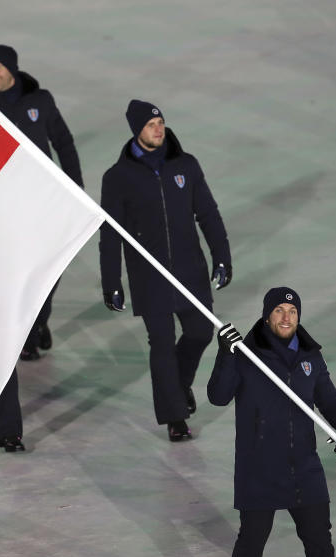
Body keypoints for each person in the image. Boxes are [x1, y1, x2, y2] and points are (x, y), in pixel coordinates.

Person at [207, 287, 336, 557]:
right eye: (278, 310)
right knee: (252, 541)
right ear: (267, 316)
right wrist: (226, 354)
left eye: (292, 311)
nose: (285, 317)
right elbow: (218, 397)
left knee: (320, 545)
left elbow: (330, 400)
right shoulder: (247, 353)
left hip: (304, 468)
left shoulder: (311, 356)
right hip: (259, 468)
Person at [99, 99, 232, 441]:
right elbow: (111, 234)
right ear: (136, 131)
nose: (158, 128)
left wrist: (222, 256)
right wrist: (112, 281)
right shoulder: (117, 178)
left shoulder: (185, 166)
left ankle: (178, 385)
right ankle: (175, 418)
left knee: (201, 332)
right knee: (161, 344)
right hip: (149, 277)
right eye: (150, 125)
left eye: (160, 122)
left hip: (190, 269)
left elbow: (208, 213)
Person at [0, 44, 83, 361]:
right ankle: (27, 334)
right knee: (17, 272)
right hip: (7, 205)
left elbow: (63, 142)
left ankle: (37, 323)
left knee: (48, 269)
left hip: (44, 199)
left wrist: (75, 187)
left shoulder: (40, 101)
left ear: (11, 69)